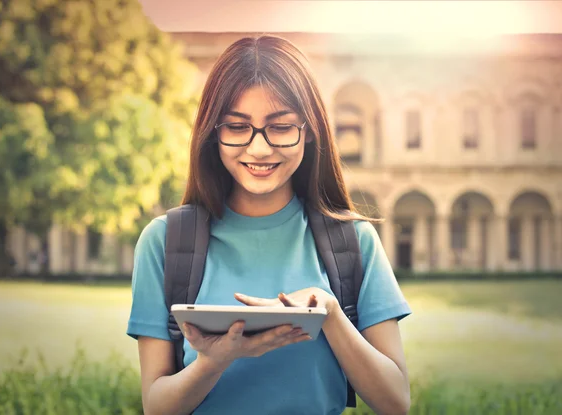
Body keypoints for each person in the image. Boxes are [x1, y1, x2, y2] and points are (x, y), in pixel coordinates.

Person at [127, 35, 412, 415]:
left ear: (309, 131)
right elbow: (156, 407)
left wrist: (328, 313)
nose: (259, 149)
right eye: (237, 127)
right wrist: (215, 359)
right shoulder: (164, 243)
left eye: (280, 127)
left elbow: (395, 403)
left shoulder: (354, 243)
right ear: (214, 132)